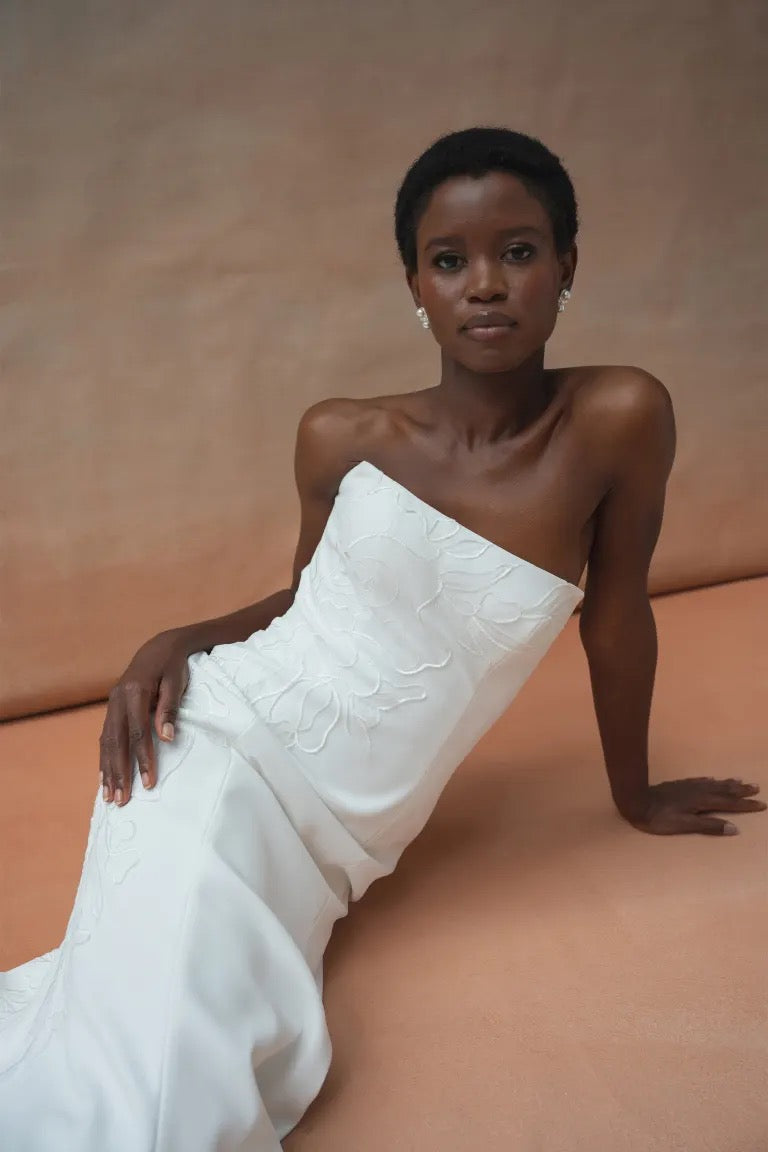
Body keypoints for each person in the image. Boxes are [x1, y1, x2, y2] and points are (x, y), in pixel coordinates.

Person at [1, 126, 764, 1151]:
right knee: (153, 1088)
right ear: (415, 284)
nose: (484, 284)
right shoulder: (342, 434)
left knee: (177, 1037)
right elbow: (299, 601)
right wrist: (164, 643)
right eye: (450, 261)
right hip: (212, 747)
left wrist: (632, 792)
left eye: (519, 251)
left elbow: (617, 614)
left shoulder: (618, 417)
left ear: (569, 266)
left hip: (341, 843)